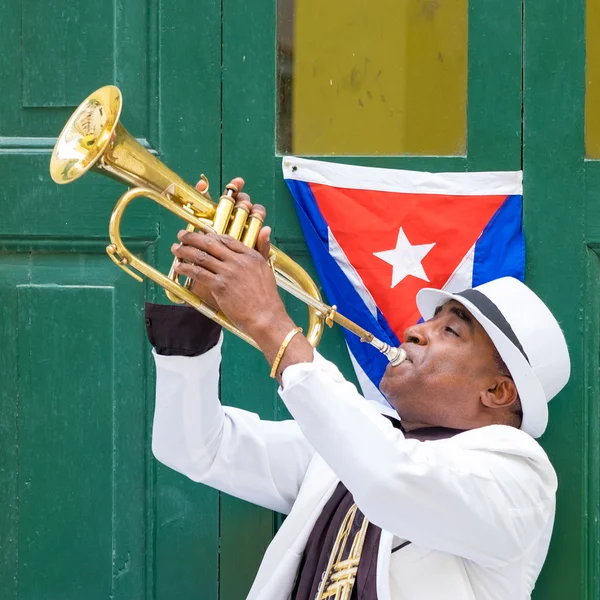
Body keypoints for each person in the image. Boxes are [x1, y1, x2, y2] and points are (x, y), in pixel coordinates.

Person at [147, 178, 570, 600]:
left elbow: (393, 479)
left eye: (451, 331)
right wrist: (198, 310)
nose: (415, 331)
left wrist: (272, 324)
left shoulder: (519, 481)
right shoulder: (348, 448)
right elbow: (197, 447)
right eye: (429, 320)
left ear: (497, 392)